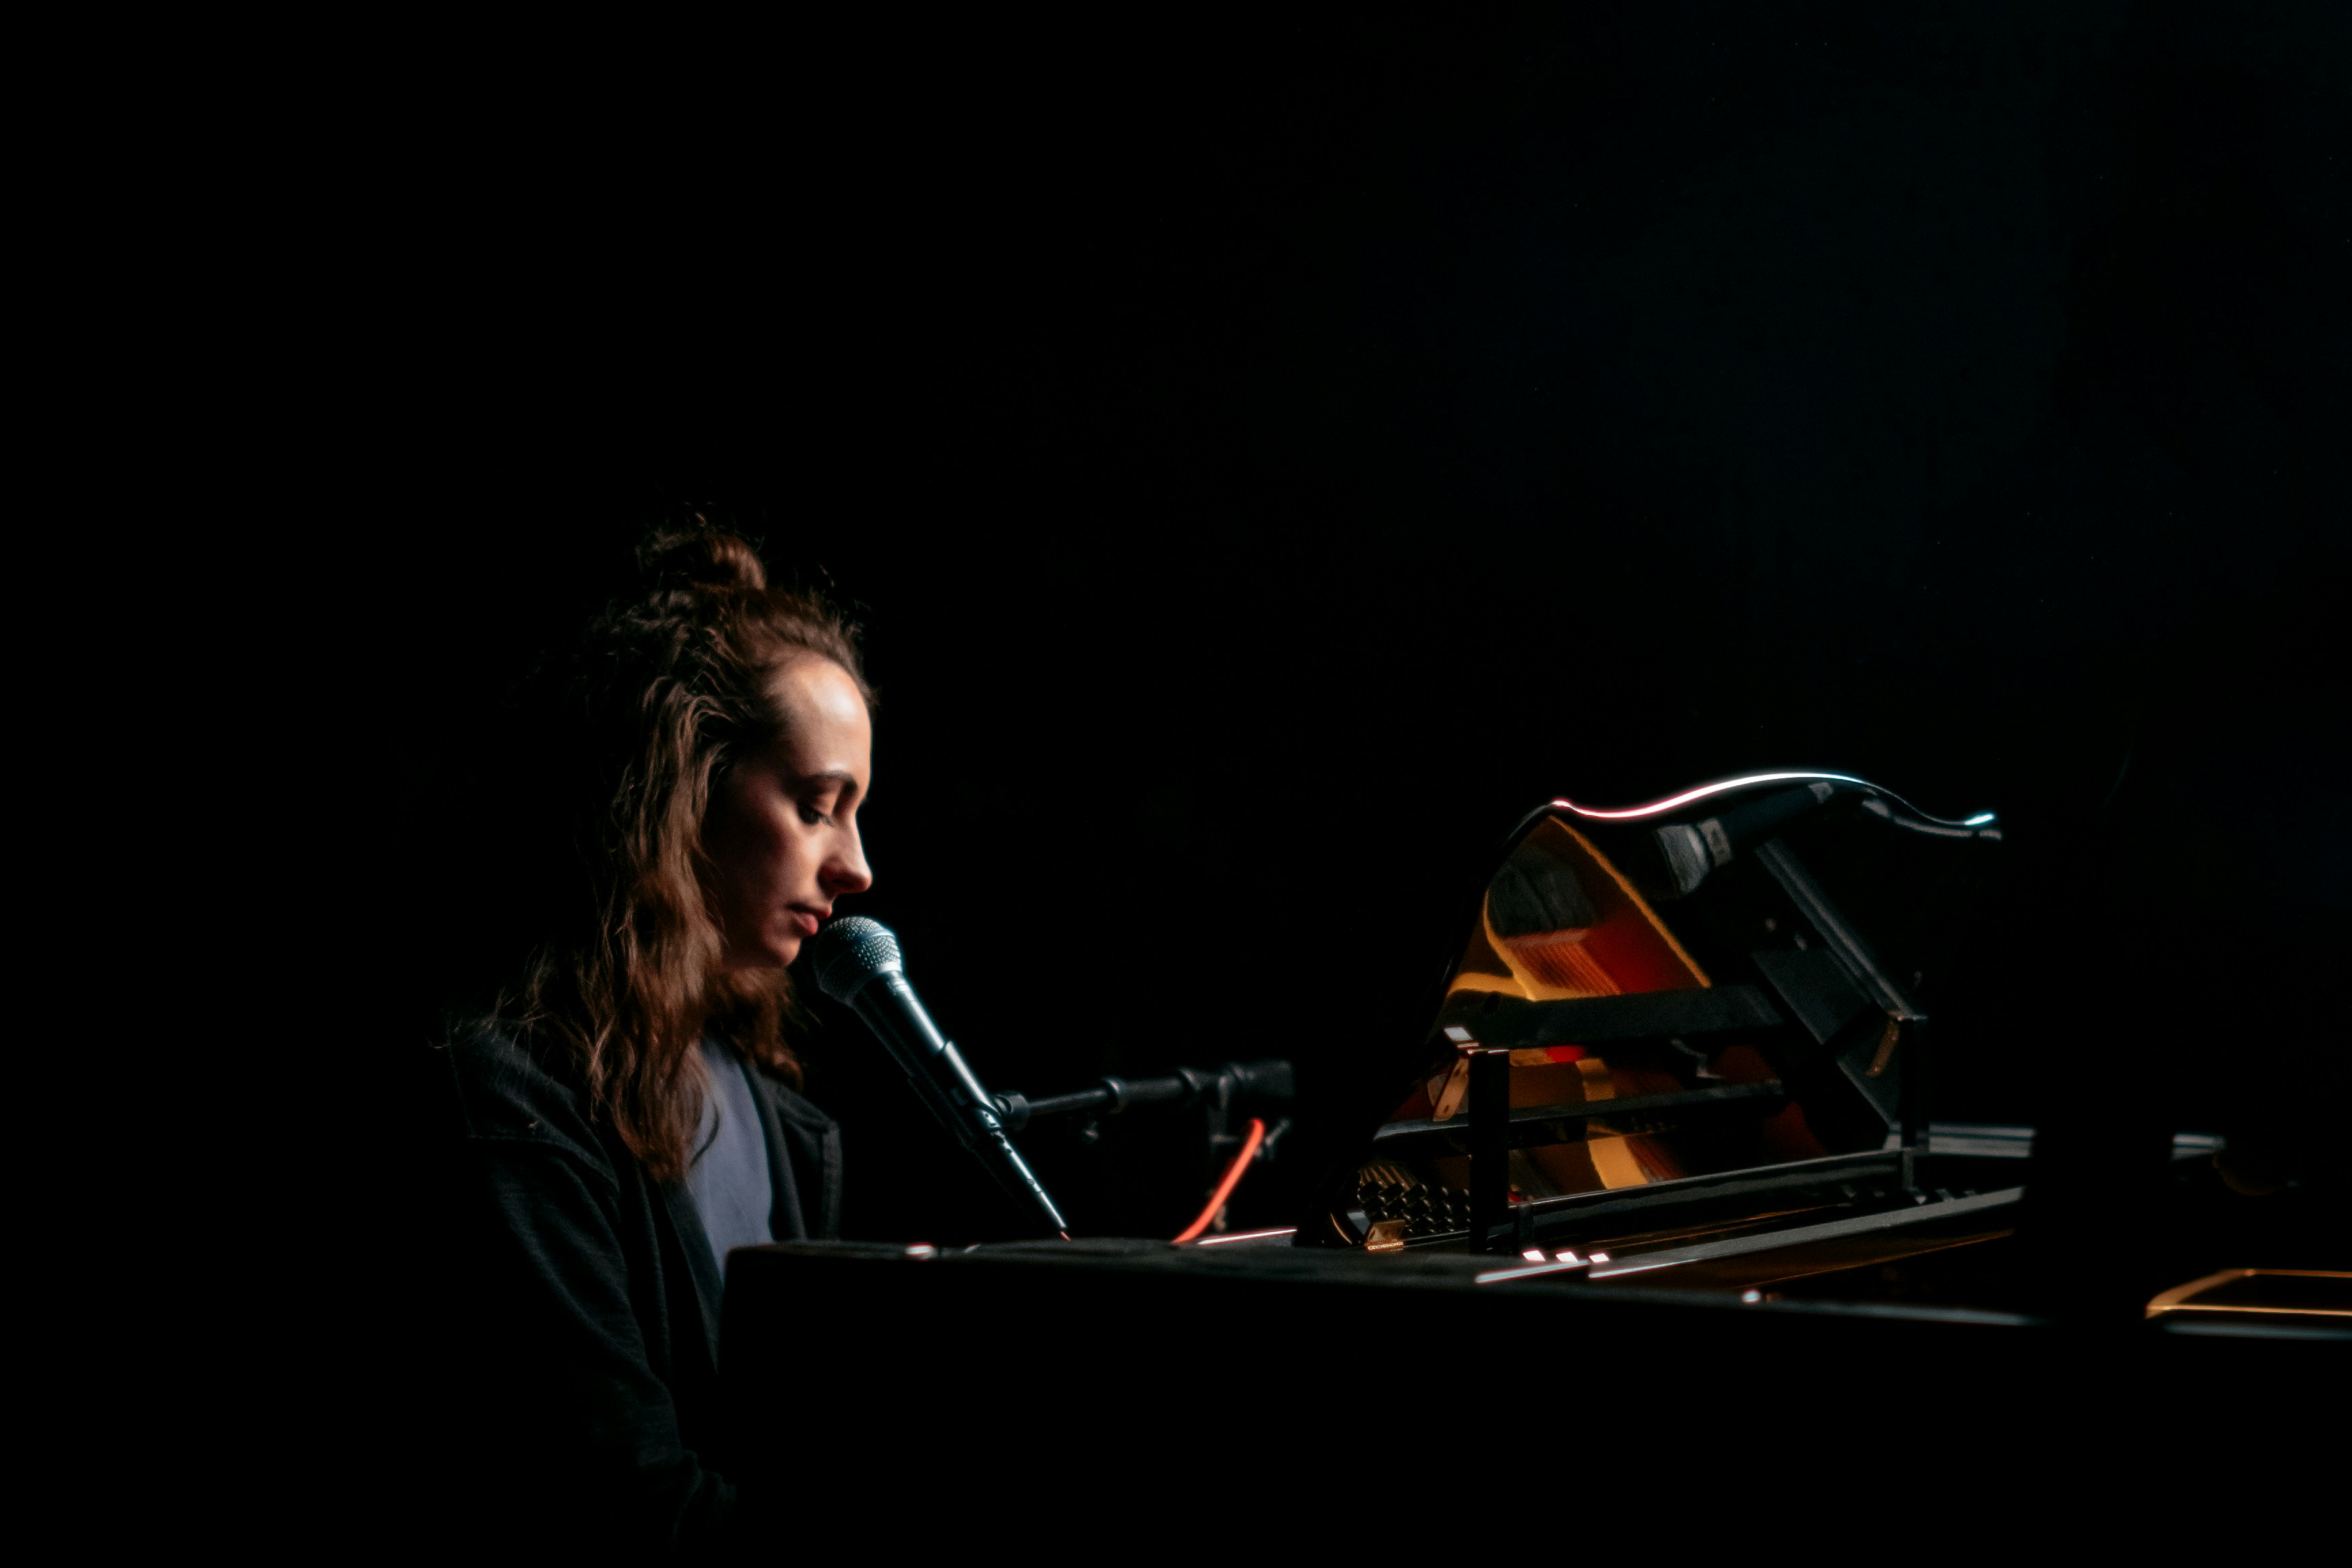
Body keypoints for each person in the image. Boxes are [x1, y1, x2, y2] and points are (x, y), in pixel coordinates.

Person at [415, 527, 874, 1553]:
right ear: (681, 788)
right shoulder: (506, 1096)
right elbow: (623, 1504)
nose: (856, 865)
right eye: (815, 806)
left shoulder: (776, 1118)